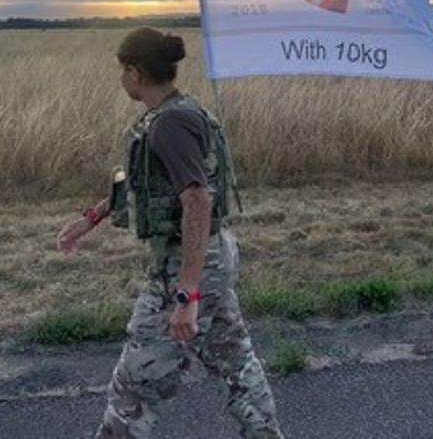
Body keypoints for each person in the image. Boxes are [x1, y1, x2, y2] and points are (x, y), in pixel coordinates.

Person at [56, 27, 285, 439]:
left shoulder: (169, 125)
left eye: (123, 71)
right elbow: (145, 188)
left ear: (136, 72)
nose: (121, 80)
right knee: (235, 364)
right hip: (211, 255)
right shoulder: (176, 113)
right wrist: (89, 220)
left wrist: (187, 295)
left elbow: (197, 200)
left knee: (136, 385)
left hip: (185, 265)